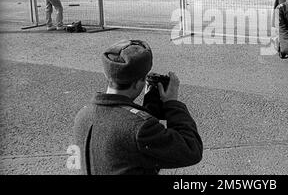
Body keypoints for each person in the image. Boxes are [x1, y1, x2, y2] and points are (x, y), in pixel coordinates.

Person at [73, 39, 203, 175]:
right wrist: (172, 104)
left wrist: (149, 107)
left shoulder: (83, 115)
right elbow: (191, 148)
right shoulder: (140, 128)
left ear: (108, 75)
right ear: (138, 83)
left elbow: (125, 152)